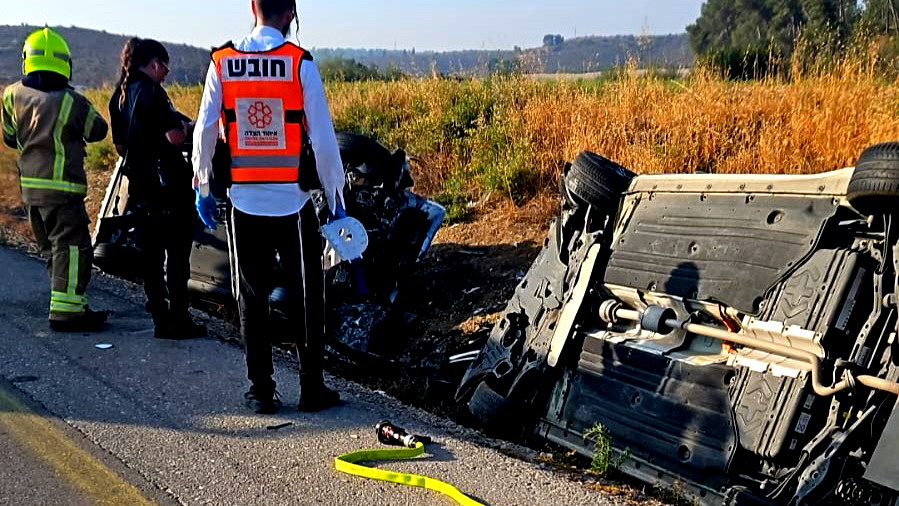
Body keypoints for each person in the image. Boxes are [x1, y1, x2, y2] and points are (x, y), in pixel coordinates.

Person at [193, 0, 346, 414]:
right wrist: (336, 200)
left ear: (252, 7)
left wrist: (203, 185)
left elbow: (205, 128)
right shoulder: (299, 63)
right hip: (292, 203)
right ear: (290, 13)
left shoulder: (222, 62)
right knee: (306, 295)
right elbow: (324, 140)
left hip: (243, 201)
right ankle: (311, 388)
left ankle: (261, 391)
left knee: (252, 297)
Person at [1, 28, 109, 332]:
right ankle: (67, 311)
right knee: (73, 247)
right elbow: (97, 130)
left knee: (51, 249)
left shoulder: (11, 95)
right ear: (65, 63)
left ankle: (69, 300)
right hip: (63, 188)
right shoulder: (73, 102)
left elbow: (10, 137)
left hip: (31, 190)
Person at [109, 38, 206, 340]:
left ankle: (160, 319)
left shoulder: (118, 97)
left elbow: (121, 145)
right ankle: (180, 317)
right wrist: (190, 128)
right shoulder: (154, 92)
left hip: (140, 186)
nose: (165, 72)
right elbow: (175, 137)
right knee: (177, 256)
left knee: (150, 257)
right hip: (169, 185)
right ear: (153, 64)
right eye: (164, 66)